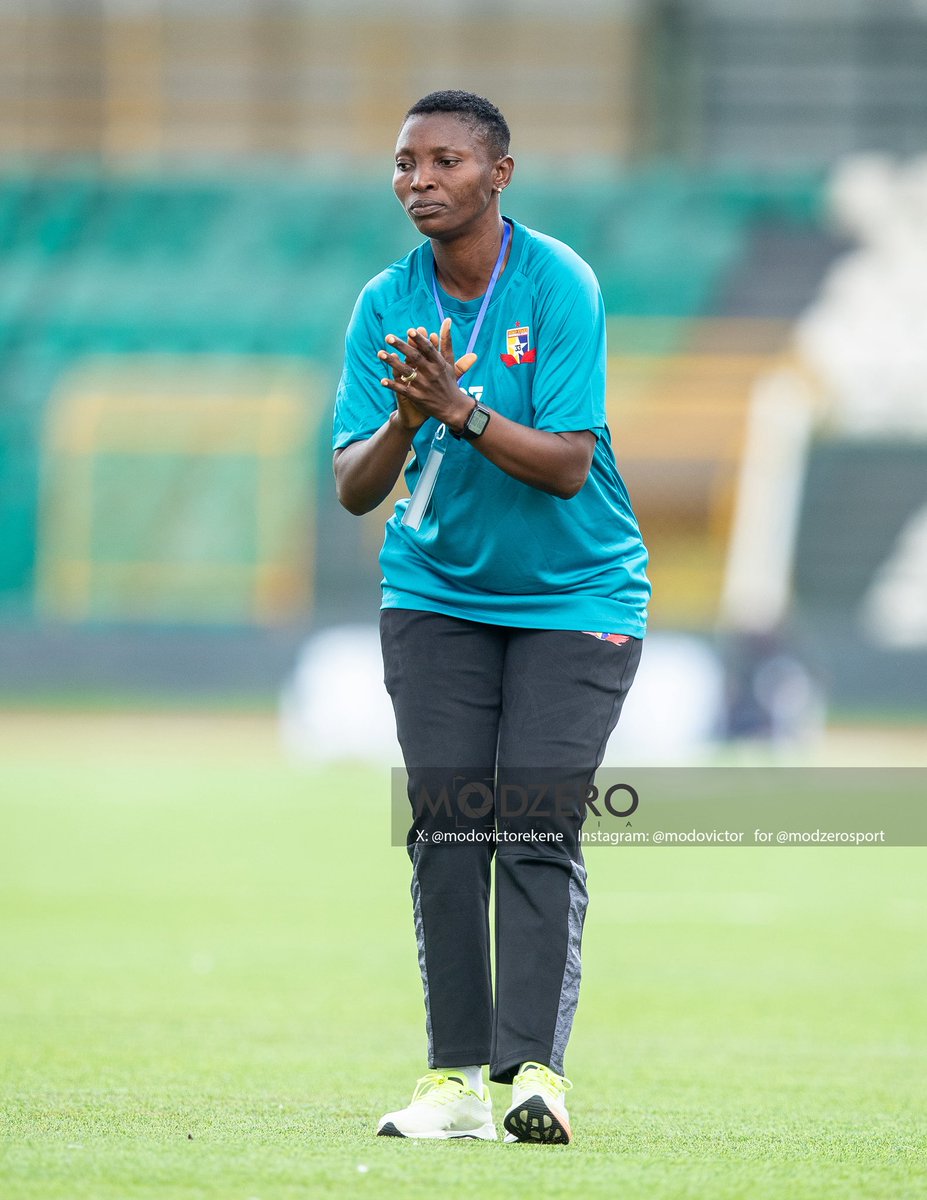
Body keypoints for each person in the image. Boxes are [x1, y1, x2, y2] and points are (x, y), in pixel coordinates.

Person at [333, 90, 650, 1145]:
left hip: (577, 595)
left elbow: (566, 465)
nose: (418, 179)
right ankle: (455, 1083)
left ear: (499, 174)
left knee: (535, 822)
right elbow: (351, 485)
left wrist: (461, 412)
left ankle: (536, 1078)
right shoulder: (385, 301)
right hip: (434, 596)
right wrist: (404, 414)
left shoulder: (559, 283)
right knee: (447, 828)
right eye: (405, 163)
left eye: (445, 160)